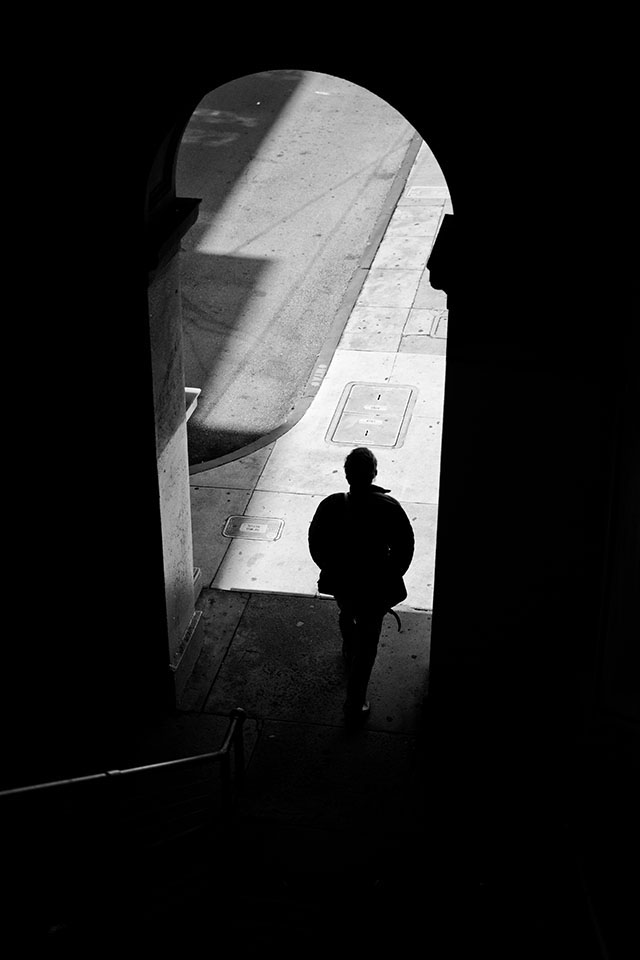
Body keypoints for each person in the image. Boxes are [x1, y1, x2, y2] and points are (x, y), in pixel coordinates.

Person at [308, 447, 415, 723]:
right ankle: (355, 702)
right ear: (374, 473)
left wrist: (331, 568)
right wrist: (390, 575)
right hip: (375, 587)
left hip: (343, 582)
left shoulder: (331, 505)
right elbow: (405, 548)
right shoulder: (388, 508)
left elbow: (316, 543)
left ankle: (347, 646)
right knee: (369, 643)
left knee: (347, 612)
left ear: (346, 475)